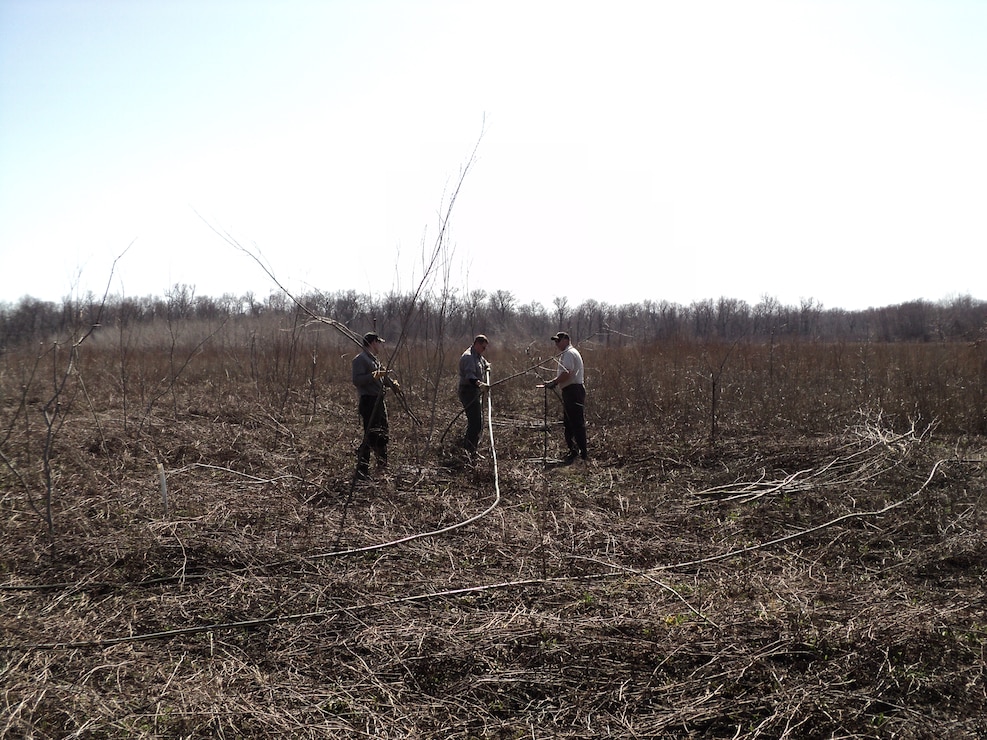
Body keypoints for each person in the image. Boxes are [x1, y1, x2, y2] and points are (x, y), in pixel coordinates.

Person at [351, 332, 398, 479]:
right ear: (372, 343)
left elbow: (381, 376)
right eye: (378, 342)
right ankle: (362, 470)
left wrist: (392, 384)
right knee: (371, 435)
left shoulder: (373, 359)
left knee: (382, 433)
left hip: (379, 401)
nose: (380, 345)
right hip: (369, 402)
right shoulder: (360, 359)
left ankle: (382, 468)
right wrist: (374, 376)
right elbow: (357, 380)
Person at [539, 331, 587, 463]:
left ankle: (582, 453)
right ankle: (575, 451)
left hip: (574, 391)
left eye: (558, 341)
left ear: (566, 340)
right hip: (571, 390)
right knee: (570, 423)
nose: (556, 344)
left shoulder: (569, 353)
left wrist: (554, 382)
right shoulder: (567, 353)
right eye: (555, 341)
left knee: (576, 423)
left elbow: (567, 373)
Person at [458, 334, 490, 456]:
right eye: (483, 347)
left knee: (478, 422)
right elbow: (470, 377)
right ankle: (468, 451)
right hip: (467, 391)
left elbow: (484, 362)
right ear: (477, 344)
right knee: (475, 423)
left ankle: (472, 449)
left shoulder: (477, 356)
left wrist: (487, 367)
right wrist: (481, 384)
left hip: (474, 391)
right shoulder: (468, 357)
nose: (484, 350)